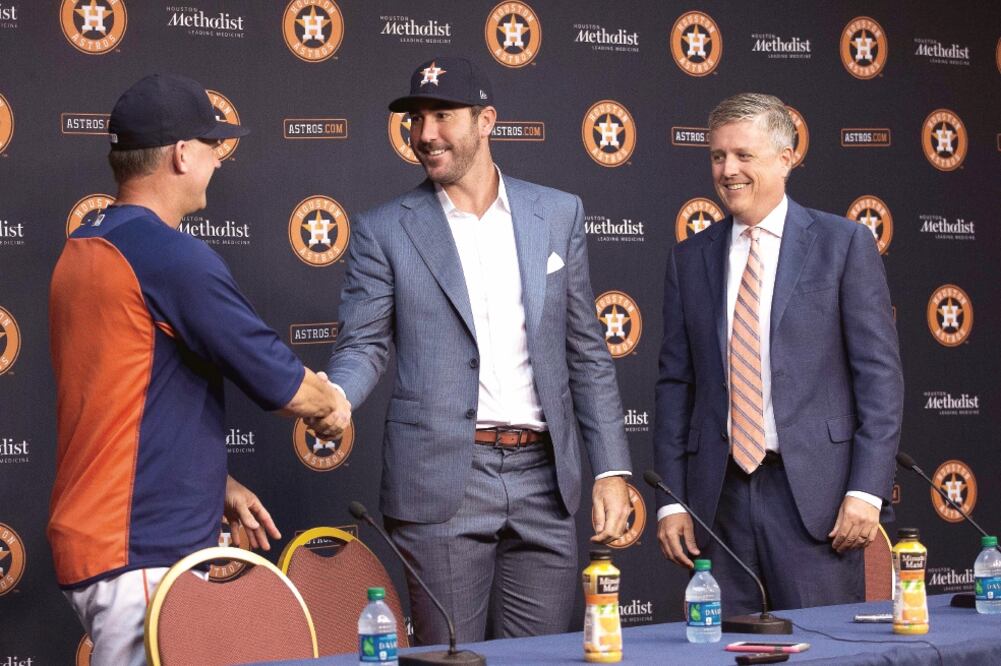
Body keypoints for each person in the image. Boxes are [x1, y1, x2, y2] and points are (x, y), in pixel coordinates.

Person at [320, 57, 633, 643]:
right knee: (451, 658)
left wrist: (612, 469)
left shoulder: (557, 213)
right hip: (442, 480)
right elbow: (363, 344)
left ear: (486, 119)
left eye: (443, 116)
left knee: (539, 659)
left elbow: (587, 351)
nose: (425, 134)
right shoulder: (384, 229)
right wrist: (335, 396)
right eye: (416, 118)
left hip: (547, 480)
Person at [47, 73, 350, 665]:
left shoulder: (84, 246)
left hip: (103, 539)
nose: (218, 158)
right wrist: (332, 406)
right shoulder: (167, 254)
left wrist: (217, 485)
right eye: (212, 144)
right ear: (181, 155)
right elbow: (284, 385)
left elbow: (125, 397)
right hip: (141, 549)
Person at [654, 93, 903, 614]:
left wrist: (867, 491)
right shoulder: (689, 257)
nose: (728, 170)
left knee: (826, 648)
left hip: (818, 501)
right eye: (718, 156)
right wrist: (672, 500)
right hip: (716, 505)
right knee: (723, 649)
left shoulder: (844, 244)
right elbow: (676, 387)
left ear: (787, 157)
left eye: (744, 155)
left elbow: (879, 379)